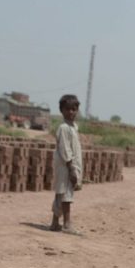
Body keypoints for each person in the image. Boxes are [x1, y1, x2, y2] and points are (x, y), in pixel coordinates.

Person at [50, 94, 83, 234]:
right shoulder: (64, 128)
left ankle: (54, 223)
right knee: (66, 194)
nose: (71, 112)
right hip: (66, 165)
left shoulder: (73, 127)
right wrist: (71, 169)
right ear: (61, 110)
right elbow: (65, 149)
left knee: (61, 193)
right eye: (67, 109)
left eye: (74, 109)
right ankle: (67, 224)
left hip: (69, 164)